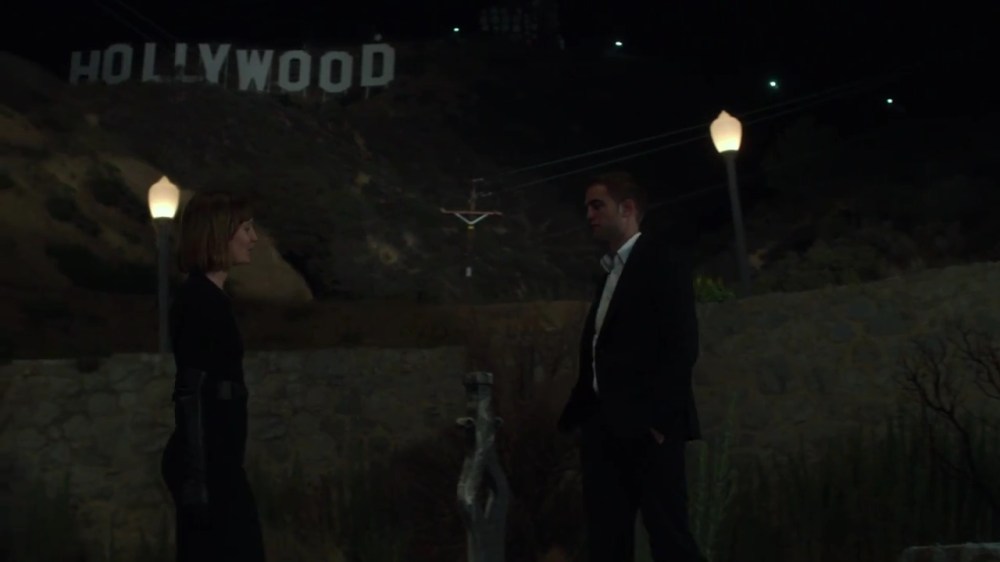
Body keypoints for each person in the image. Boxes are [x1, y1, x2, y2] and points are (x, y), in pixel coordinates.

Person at [557, 171, 703, 562]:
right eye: (587, 207)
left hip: (648, 429)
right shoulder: (610, 274)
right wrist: (580, 417)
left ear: (627, 208)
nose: (589, 215)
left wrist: (658, 420)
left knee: (669, 537)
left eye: (597, 205)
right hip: (604, 429)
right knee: (606, 540)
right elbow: (599, 349)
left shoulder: (662, 261)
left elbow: (681, 344)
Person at [160, 190, 265, 562]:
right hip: (209, 466)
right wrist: (198, 480)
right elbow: (191, 395)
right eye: (246, 228)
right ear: (220, 233)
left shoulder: (210, 298)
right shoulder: (199, 301)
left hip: (217, 462)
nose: (254, 238)